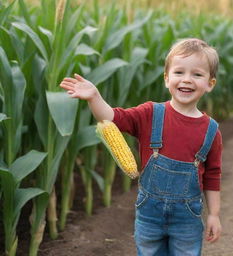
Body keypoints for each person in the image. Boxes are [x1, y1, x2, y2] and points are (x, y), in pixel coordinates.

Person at [60, 38, 222, 256]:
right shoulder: (150, 114)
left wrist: (214, 214)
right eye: (179, 72)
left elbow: (213, 175)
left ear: (210, 84)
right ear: (166, 79)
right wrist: (94, 97)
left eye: (197, 74)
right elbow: (114, 118)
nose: (187, 80)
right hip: (149, 216)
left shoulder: (211, 131)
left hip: (187, 219)